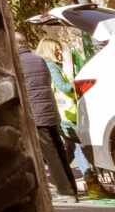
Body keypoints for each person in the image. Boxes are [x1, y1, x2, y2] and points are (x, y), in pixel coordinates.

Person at [18, 35, 80, 199]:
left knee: (51, 154)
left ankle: (65, 192)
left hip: (36, 114)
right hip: (50, 111)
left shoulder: (18, 62)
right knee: (59, 151)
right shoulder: (39, 60)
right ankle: (72, 189)